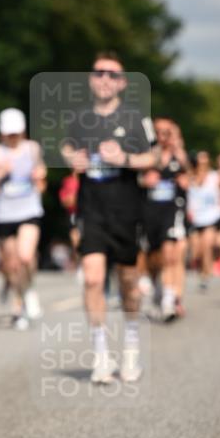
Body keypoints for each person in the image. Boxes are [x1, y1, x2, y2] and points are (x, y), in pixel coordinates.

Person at [61, 52, 158, 383]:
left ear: (122, 82)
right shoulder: (80, 117)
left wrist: (126, 158)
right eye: (99, 73)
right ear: (91, 79)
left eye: (112, 74)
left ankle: (130, 346)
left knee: (129, 282)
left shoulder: (134, 118)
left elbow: (154, 156)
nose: (105, 79)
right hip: (92, 209)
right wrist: (73, 158)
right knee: (92, 278)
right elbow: (67, 147)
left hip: (127, 210)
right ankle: (101, 355)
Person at [0, 108, 46, 330]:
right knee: (11, 264)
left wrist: (39, 177)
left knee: (26, 256)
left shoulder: (32, 149)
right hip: (4, 214)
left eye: (16, 133)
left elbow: (41, 176)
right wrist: (0, 173)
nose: (13, 137)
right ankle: (18, 303)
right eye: (9, 133)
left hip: (29, 210)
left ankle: (29, 291)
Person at [139, 117, 189, 321]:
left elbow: (189, 175)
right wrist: (144, 180)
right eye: (160, 132)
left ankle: (170, 299)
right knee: (153, 259)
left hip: (171, 211)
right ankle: (155, 295)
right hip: (149, 212)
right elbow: (136, 178)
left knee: (171, 254)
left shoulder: (178, 156)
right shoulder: (147, 155)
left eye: (168, 132)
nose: (164, 136)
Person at [186, 150, 220, 290]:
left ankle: (206, 276)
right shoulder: (190, 176)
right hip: (195, 219)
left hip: (211, 217)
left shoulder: (215, 177)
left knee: (207, 246)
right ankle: (201, 270)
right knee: (196, 251)